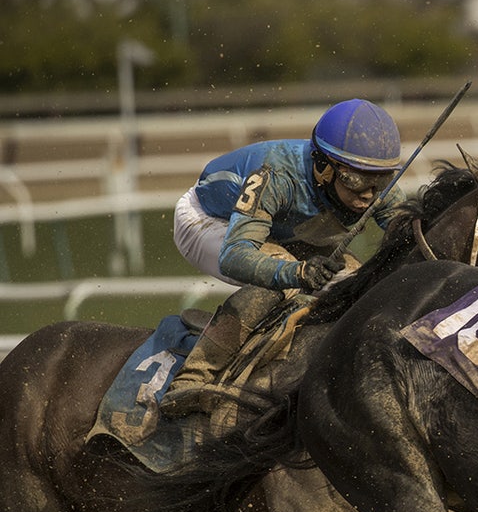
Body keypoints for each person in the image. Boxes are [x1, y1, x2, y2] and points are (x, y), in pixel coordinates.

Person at [161, 98, 407, 415]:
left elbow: (411, 236)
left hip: (287, 230)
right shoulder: (276, 174)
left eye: (381, 181)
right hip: (210, 222)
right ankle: (191, 380)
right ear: (323, 167)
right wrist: (298, 273)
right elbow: (235, 256)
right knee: (280, 282)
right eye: (356, 181)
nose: (368, 195)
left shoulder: (370, 182)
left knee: (360, 284)